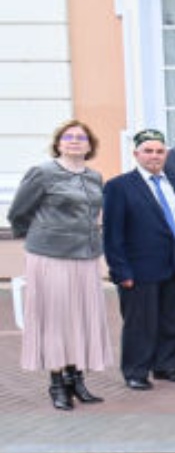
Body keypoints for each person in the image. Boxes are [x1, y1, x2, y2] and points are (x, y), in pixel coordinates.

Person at [8, 120, 115, 409]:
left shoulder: (94, 176)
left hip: (86, 256)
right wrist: (42, 237)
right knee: (55, 319)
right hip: (50, 256)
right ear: (58, 143)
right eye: (68, 137)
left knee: (80, 317)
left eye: (81, 137)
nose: (74, 141)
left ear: (90, 145)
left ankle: (75, 379)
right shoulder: (43, 173)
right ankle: (56, 384)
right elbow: (18, 212)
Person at [102, 129, 175, 390]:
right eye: (148, 151)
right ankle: (136, 371)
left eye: (159, 151)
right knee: (140, 323)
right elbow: (112, 235)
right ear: (136, 154)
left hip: (173, 266)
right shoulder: (118, 186)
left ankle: (166, 366)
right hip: (138, 269)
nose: (154, 156)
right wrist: (120, 270)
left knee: (170, 320)